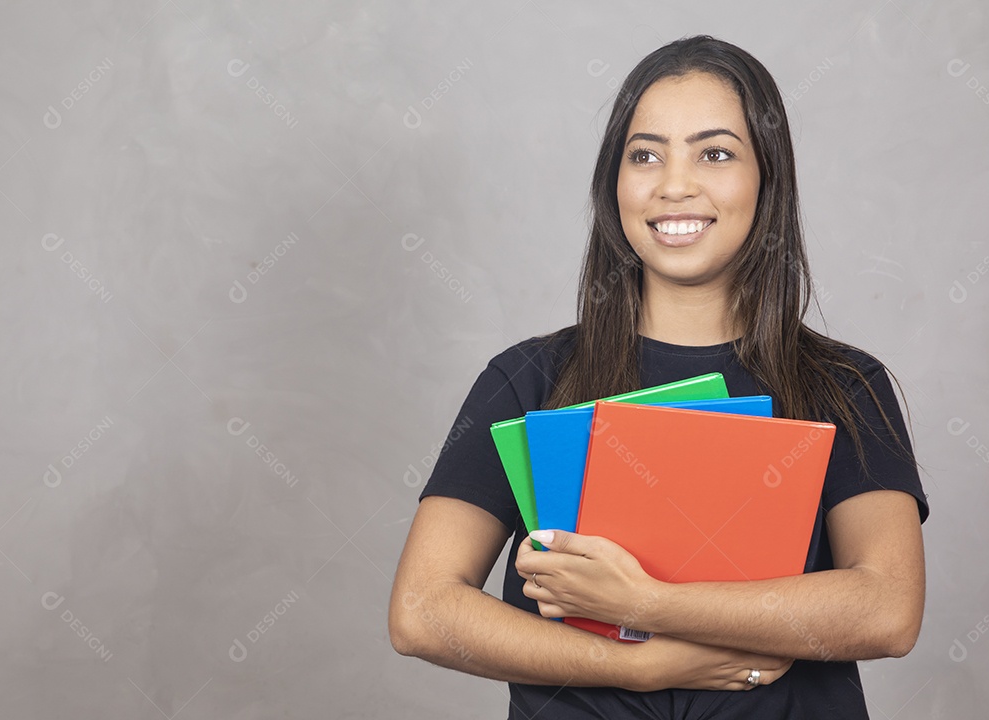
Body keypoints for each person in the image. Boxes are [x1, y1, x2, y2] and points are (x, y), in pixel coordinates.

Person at [388, 34, 929, 719]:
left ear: (768, 179)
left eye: (715, 153)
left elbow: (887, 608)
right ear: (613, 183)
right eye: (645, 155)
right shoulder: (528, 377)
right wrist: (635, 666)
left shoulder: (846, 385)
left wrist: (645, 603)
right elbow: (422, 609)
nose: (674, 184)